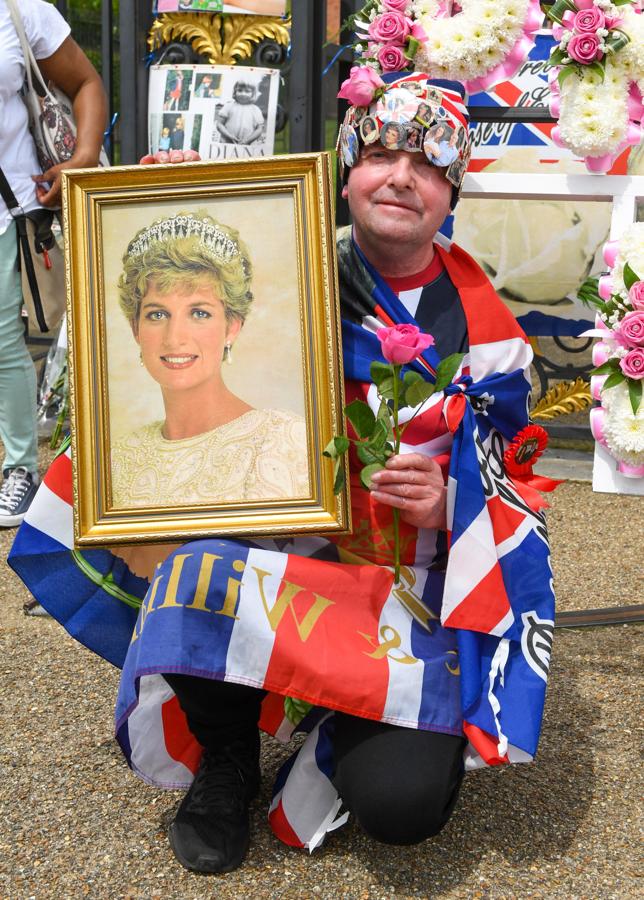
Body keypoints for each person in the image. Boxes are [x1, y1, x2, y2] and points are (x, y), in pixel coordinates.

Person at [9, 72, 556, 877]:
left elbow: (522, 490)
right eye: (380, 153)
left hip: (401, 601)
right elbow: (157, 345)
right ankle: (226, 758)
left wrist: (453, 506)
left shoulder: (492, 337)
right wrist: (166, 206)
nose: (402, 175)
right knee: (188, 536)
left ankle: (351, 718)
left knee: (400, 807)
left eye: (430, 164)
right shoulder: (278, 261)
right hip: (269, 558)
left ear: (453, 193)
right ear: (346, 167)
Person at [110, 210, 309, 508]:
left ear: (232, 327)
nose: (174, 337)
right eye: (157, 314)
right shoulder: (120, 455)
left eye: (199, 313)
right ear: (136, 328)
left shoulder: (278, 440)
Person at [0, 0, 106, 528]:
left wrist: (83, 156)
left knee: (7, 342)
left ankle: (20, 468)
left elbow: (86, 82)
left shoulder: (21, 13)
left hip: (11, 207)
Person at [216, 79, 265, 145]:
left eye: (247, 91)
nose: (243, 94)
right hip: (226, 142)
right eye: (239, 90)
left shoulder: (255, 109)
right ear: (235, 92)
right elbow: (219, 124)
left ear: (253, 94)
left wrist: (248, 140)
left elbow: (259, 129)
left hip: (247, 145)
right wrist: (229, 136)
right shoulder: (229, 106)